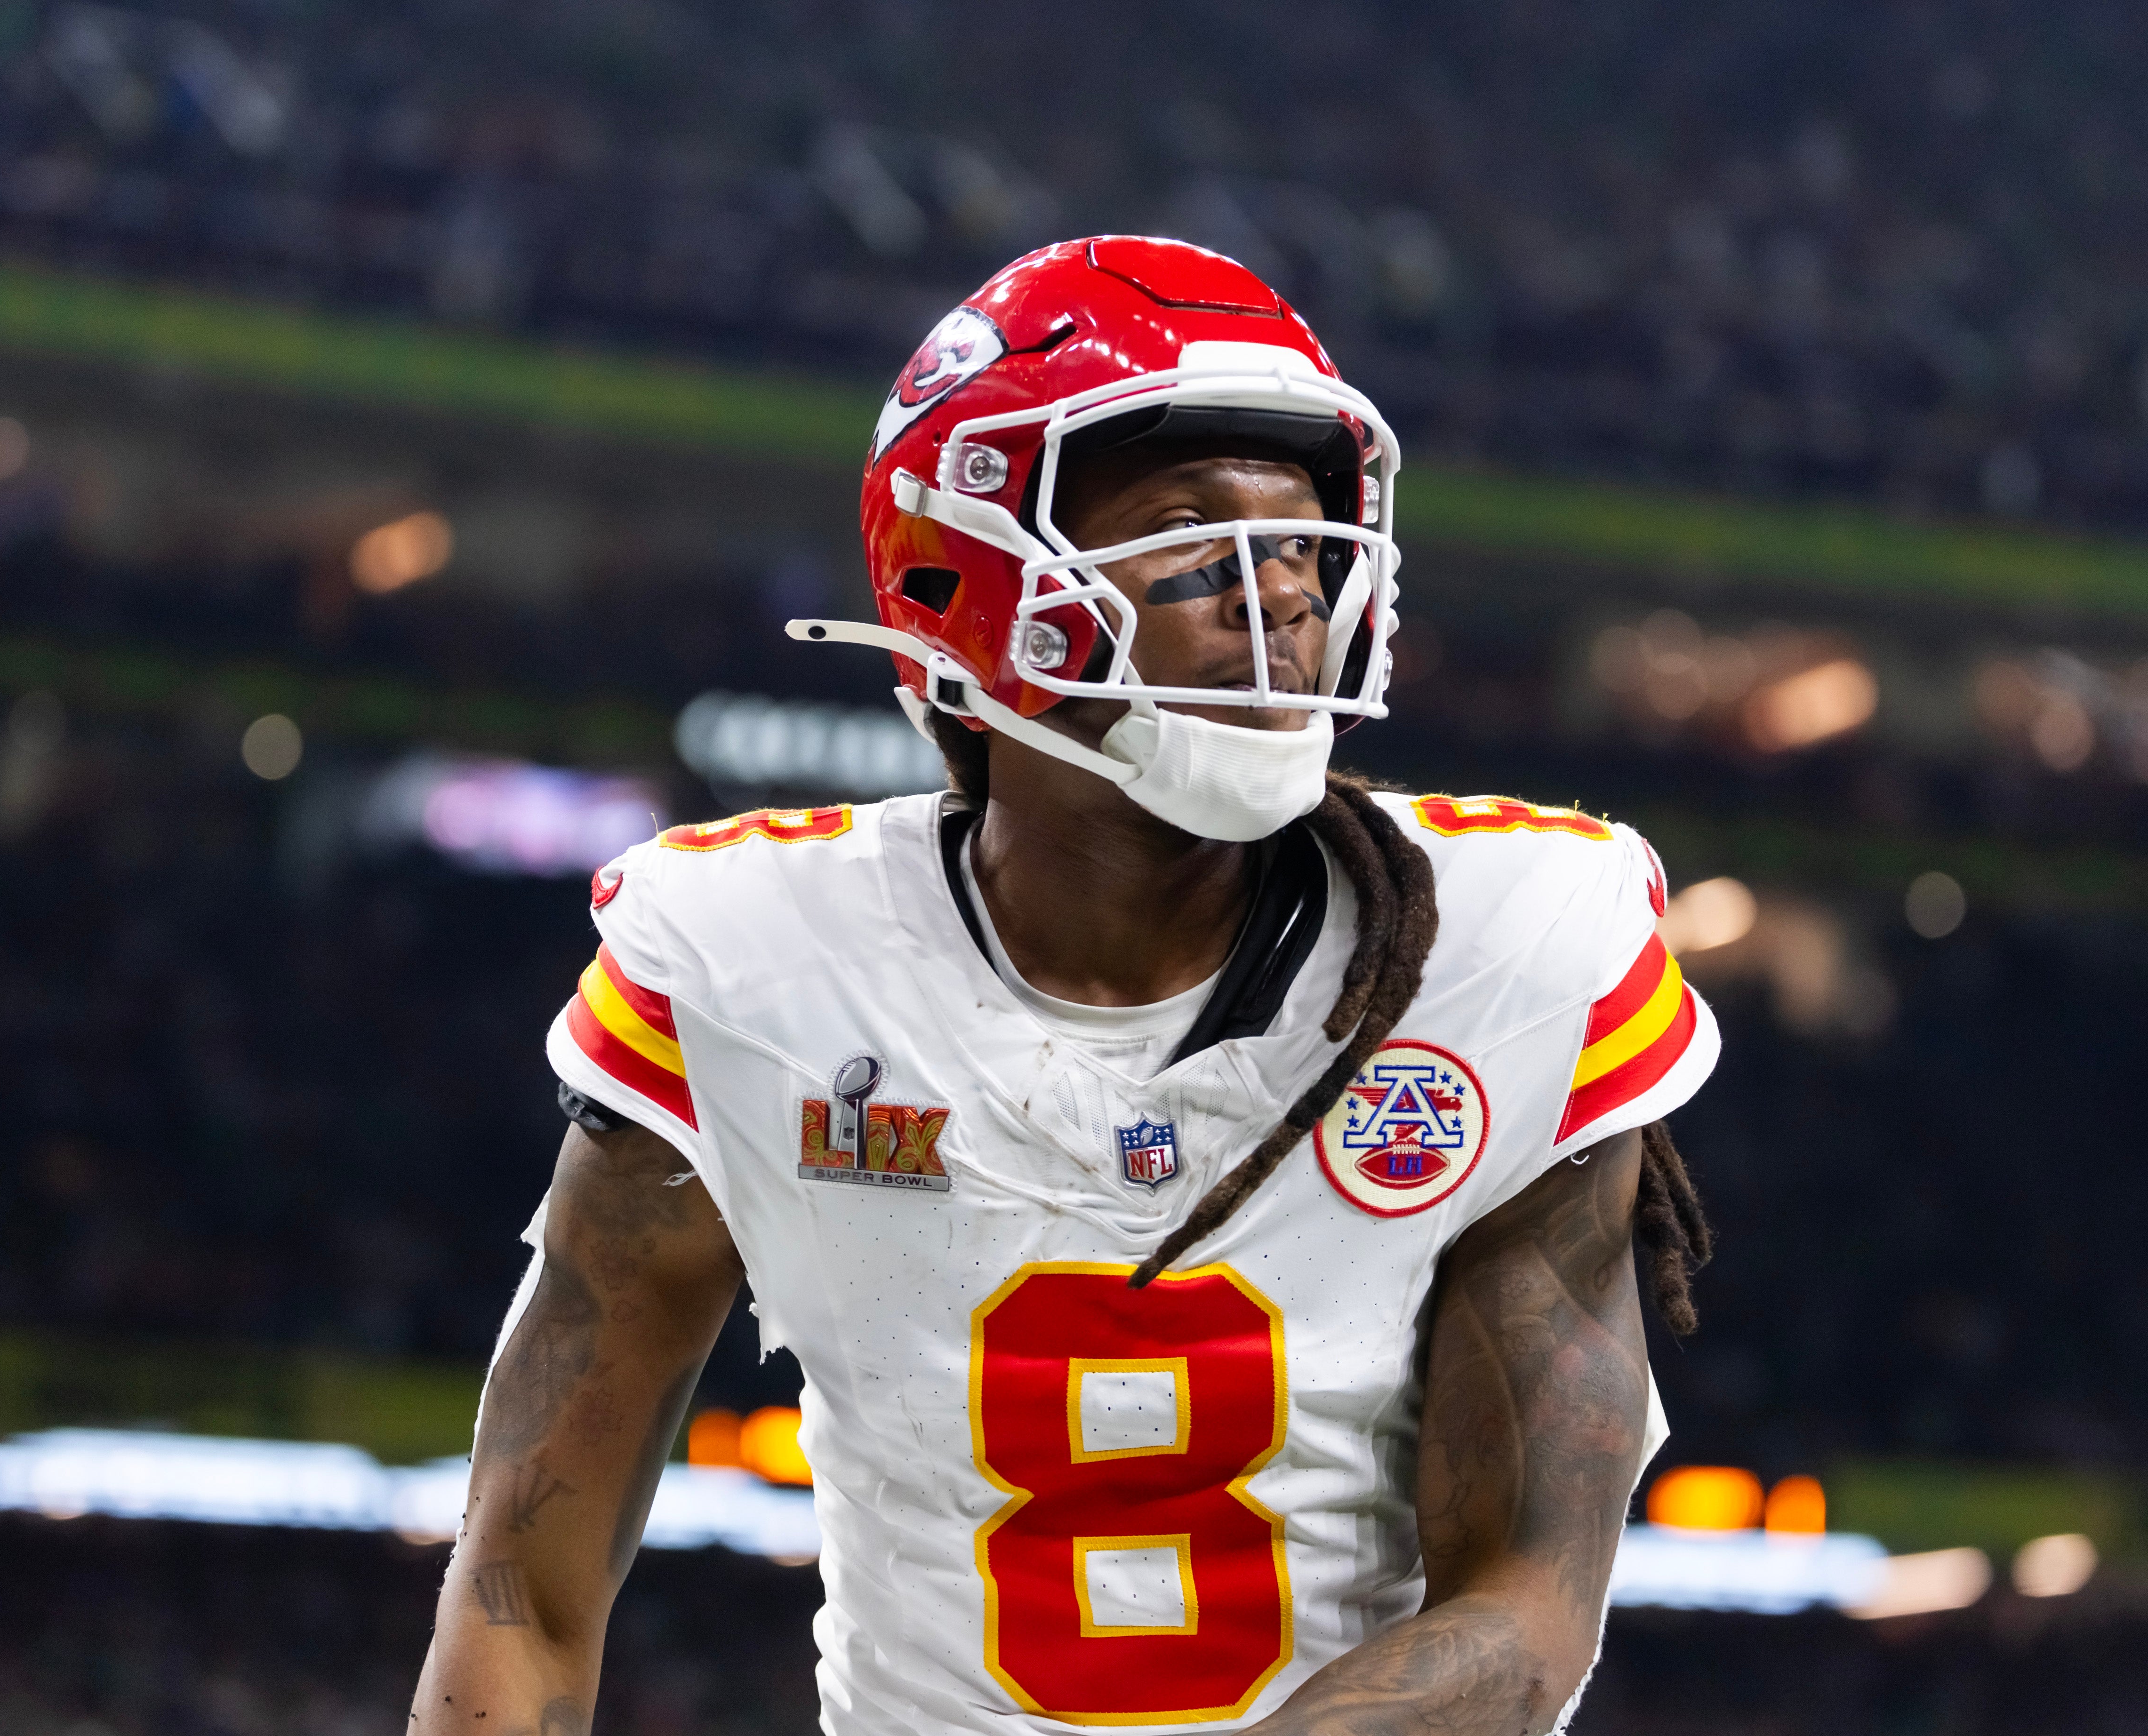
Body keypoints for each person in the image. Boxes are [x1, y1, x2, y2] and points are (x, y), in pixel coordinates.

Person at [408, 236, 1719, 1736]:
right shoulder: (753, 963)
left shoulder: (1513, 949)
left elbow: (1530, 1600)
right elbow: (523, 1588)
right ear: (966, 576)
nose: (1279, 592)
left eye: (1300, 542)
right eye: (1188, 532)